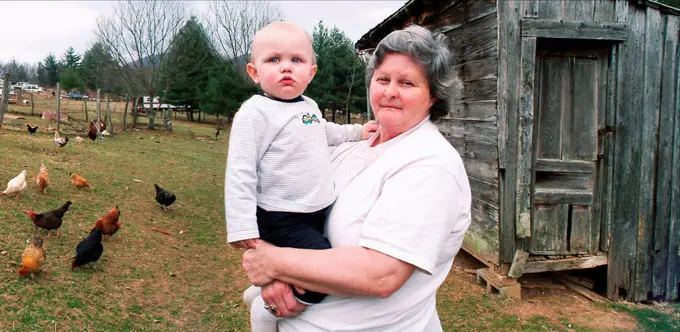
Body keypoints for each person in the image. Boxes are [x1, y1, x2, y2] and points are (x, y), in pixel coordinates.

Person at [241, 25, 472, 331]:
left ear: (433, 96)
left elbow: (381, 274)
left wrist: (273, 262)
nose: (390, 91)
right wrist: (273, 278)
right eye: (383, 79)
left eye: (407, 83)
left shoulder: (431, 165)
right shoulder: (354, 147)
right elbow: (283, 203)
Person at [224, 21, 378, 332]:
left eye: (296, 60)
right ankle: (265, 312)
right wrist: (241, 224)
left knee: (305, 262)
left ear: (311, 72)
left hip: (313, 212)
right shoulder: (255, 114)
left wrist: (357, 132)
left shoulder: (308, 106)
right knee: (321, 275)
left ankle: (261, 288)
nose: (286, 68)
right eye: (274, 60)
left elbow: (324, 132)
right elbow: (240, 171)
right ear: (254, 72)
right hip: (281, 216)